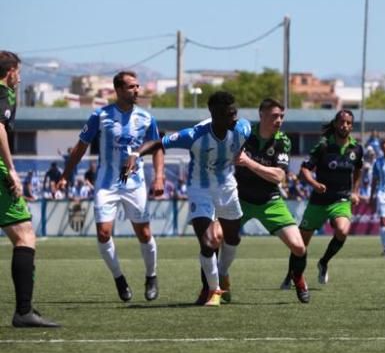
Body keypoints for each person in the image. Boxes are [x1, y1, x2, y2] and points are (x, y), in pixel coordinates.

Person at [127, 90, 251, 306]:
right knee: (209, 242)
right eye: (229, 114)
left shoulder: (243, 128)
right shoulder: (194, 135)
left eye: (235, 113)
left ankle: (222, 274)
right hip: (199, 190)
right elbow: (158, 143)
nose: (235, 118)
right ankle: (214, 290)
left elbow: (245, 145)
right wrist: (136, 154)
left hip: (227, 188)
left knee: (233, 239)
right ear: (215, 114)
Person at [58, 71, 165, 303]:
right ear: (118, 90)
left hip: (133, 181)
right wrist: (66, 174)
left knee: (144, 233)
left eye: (137, 86)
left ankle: (151, 276)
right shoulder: (100, 115)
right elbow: (80, 146)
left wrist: (159, 177)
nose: (136, 90)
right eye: (130, 87)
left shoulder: (147, 118)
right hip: (107, 183)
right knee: (104, 232)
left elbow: (158, 148)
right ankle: (119, 278)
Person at [0, 51, 60, 327]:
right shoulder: (2, 93)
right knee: (24, 234)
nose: (20, 77)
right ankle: (23, 311)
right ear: (10, 71)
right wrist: (11, 168)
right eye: (19, 72)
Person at [235, 99, 309, 303]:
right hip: (240, 199)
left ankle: (298, 277)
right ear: (261, 115)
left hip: (270, 201)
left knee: (299, 248)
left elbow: (278, 176)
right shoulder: (244, 134)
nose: (279, 120)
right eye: (275, 115)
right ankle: (216, 287)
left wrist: (248, 162)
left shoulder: (282, 140)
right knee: (215, 240)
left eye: (282, 116)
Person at [290, 110, 363, 287]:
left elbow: (359, 169)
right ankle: (291, 275)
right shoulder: (323, 146)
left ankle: (323, 262)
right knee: (300, 244)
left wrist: (355, 191)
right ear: (336, 123)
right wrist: (314, 184)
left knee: (342, 231)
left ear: (351, 126)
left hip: (341, 200)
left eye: (348, 123)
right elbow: (305, 169)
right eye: (341, 122)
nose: (344, 125)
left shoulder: (356, 148)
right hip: (318, 202)